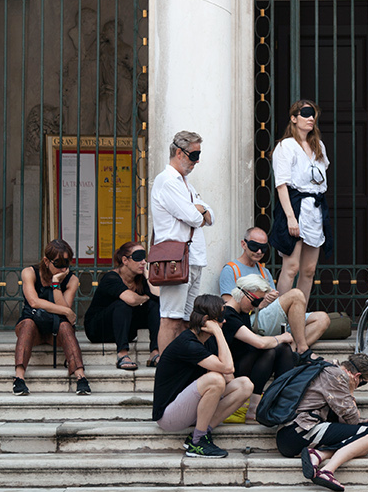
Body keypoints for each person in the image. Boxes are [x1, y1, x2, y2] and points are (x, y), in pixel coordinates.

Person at [152, 294, 253, 459]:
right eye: (220, 318)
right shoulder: (188, 343)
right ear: (207, 320)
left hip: (189, 407)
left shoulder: (208, 340)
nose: (224, 321)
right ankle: (197, 442)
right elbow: (226, 368)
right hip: (169, 415)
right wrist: (219, 333)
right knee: (215, 379)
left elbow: (229, 376)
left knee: (245, 385)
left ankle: (202, 432)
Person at [218, 225, 331, 354]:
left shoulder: (264, 271)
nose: (259, 251)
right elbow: (229, 308)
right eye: (254, 246)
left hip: (267, 317)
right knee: (296, 294)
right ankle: (303, 350)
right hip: (249, 321)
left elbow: (274, 305)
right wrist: (260, 304)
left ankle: (291, 349)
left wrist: (270, 300)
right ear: (243, 244)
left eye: (264, 248)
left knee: (323, 319)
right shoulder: (231, 269)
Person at [275, 353, 368, 492]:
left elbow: (343, 419)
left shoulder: (328, 368)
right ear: (357, 376)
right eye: (363, 382)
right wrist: (351, 392)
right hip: (298, 432)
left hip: (291, 432)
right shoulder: (338, 376)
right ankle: (327, 471)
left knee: (366, 445)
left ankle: (318, 455)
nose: (360, 385)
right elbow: (352, 420)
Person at [150, 129, 213, 355]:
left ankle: (180, 366)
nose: (197, 162)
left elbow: (210, 216)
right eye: (194, 155)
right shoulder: (167, 181)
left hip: (193, 258)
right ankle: (167, 368)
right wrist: (199, 211)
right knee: (171, 318)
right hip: (175, 258)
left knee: (187, 321)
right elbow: (195, 217)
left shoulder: (186, 183)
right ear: (179, 152)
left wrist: (202, 209)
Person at [13, 238, 89, 397]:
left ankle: (81, 377)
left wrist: (56, 284)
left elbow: (64, 308)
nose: (63, 268)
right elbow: (33, 302)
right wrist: (67, 312)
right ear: (46, 261)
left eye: (66, 264)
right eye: (58, 264)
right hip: (33, 327)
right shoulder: (30, 272)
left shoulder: (72, 279)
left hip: (57, 330)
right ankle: (19, 378)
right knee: (27, 324)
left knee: (66, 327)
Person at [271, 100, 330, 300]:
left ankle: (299, 315)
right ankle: (280, 317)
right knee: (292, 266)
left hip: (314, 209)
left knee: (309, 269)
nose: (311, 118)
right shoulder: (286, 146)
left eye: (313, 114)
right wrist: (290, 217)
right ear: (294, 118)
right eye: (305, 114)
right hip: (295, 207)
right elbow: (281, 184)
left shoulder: (318, 146)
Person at [221, 276, 300, 420]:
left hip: (244, 362)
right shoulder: (227, 314)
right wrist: (281, 337)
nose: (256, 306)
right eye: (256, 301)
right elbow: (258, 343)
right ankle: (255, 408)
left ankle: (282, 402)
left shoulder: (243, 312)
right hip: (231, 369)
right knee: (269, 350)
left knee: (282, 349)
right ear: (245, 293)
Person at [84, 240, 161, 370]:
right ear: (125, 260)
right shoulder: (111, 278)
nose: (143, 262)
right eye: (138, 258)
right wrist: (146, 297)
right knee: (123, 304)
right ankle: (122, 354)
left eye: (144, 258)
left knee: (154, 305)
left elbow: (158, 297)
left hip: (125, 328)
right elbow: (130, 299)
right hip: (99, 329)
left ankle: (155, 352)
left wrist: (148, 278)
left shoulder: (140, 279)